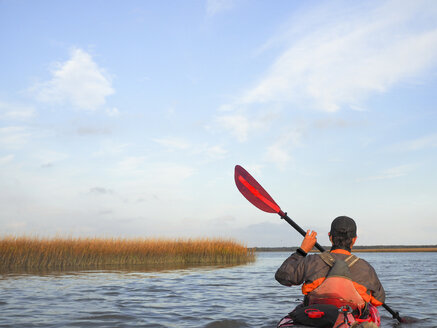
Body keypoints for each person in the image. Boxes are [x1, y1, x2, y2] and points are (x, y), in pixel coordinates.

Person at [275, 216, 385, 327]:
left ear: (330, 237)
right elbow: (378, 301)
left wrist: (302, 251)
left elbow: (282, 277)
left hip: (314, 317)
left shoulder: (311, 261)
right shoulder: (365, 268)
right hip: (351, 321)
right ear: (354, 239)